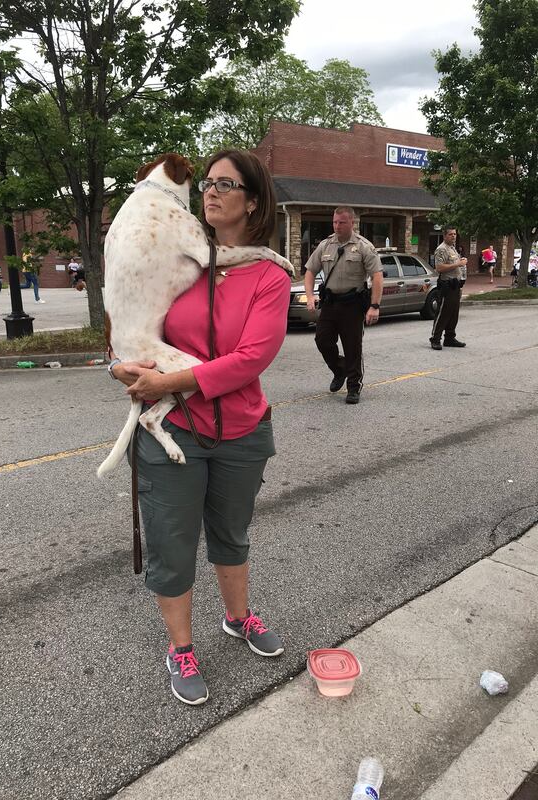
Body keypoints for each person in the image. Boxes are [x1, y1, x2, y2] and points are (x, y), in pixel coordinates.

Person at [107, 149, 290, 706]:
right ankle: (181, 647)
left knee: (232, 535)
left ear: (252, 201)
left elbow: (251, 359)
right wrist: (118, 366)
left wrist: (168, 384)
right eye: (207, 182)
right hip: (175, 432)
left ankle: (239, 618)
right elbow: (128, 320)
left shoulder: (268, 274)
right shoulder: (181, 258)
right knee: (173, 543)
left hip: (240, 430)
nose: (210, 191)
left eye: (226, 184)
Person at [304, 206, 383, 404]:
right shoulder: (326, 245)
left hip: (352, 305)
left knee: (352, 347)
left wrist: (374, 306)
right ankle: (340, 370)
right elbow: (310, 271)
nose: (337, 226)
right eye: (335, 222)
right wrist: (310, 296)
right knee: (322, 340)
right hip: (330, 304)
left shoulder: (364, 246)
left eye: (342, 222)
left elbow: (377, 275)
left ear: (352, 223)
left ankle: (354, 387)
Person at [430, 227, 467, 350]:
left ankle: (450, 337)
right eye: (450, 234)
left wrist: (460, 261)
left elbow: (455, 266)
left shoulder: (452, 248)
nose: (453, 236)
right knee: (443, 313)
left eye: (455, 234)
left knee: (453, 313)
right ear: (445, 236)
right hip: (447, 285)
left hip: (455, 284)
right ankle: (435, 339)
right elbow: (439, 268)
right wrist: (458, 264)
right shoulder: (441, 249)